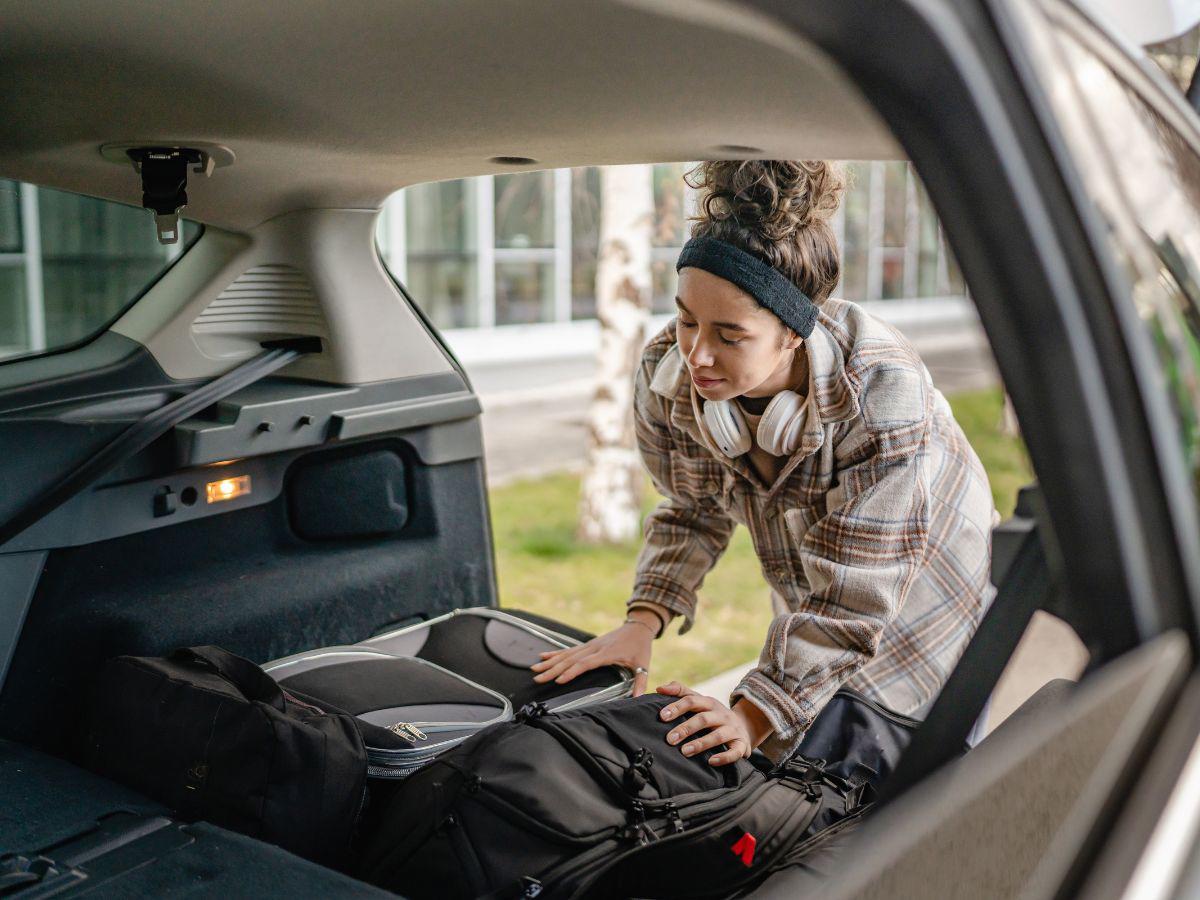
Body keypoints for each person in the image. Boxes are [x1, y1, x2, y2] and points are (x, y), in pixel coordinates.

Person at [532, 160, 996, 778]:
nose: (697, 353)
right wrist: (642, 621)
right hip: (820, 591)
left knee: (916, 779)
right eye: (686, 319)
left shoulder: (884, 393)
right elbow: (692, 509)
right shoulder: (667, 375)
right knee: (799, 752)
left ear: (794, 333)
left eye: (730, 334)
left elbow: (854, 598)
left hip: (928, 590)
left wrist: (752, 716)